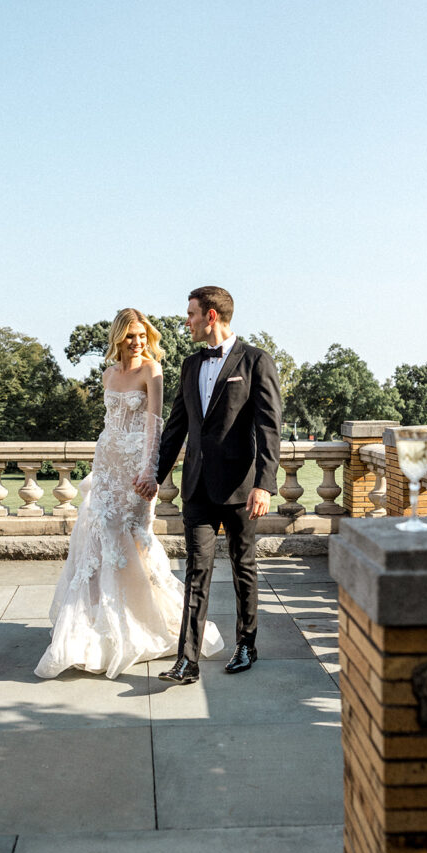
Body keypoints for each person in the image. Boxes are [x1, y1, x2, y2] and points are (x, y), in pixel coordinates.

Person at [34, 308, 223, 680]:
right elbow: (108, 426)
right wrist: (101, 467)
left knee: (132, 540)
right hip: (107, 465)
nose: (137, 342)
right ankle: (93, 623)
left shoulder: (152, 371)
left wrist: (150, 473)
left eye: (141, 335)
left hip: (137, 469)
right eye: (130, 336)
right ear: (119, 339)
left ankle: (142, 619)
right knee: (98, 538)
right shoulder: (108, 374)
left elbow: (156, 427)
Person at [153, 286, 282, 685]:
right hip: (197, 487)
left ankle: (247, 644)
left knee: (244, 566)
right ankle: (187, 660)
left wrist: (264, 484)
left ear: (211, 316)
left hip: (242, 488)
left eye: (190, 313)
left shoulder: (257, 361)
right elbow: (176, 428)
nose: (186, 321)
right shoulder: (190, 365)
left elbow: (268, 427)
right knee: (196, 571)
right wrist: (154, 477)